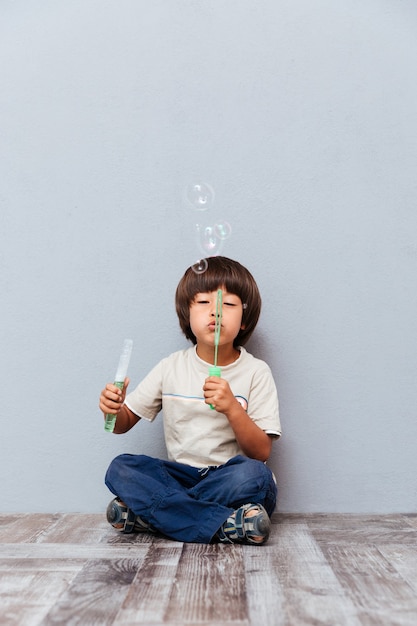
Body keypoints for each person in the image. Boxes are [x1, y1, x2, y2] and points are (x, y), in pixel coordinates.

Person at [99, 256, 281, 544]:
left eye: (229, 304)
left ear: (244, 320)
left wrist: (233, 408)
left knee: (255, 476)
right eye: (204, 303)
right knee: (121, 468)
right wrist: (113, 407)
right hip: (179, 476)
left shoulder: (256, 372)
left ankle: (153, 516)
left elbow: (260, 452)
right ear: (187, 314)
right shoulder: (170, 367)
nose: (216, 312)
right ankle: (225, 524)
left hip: (228, 478)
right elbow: (122, 424)